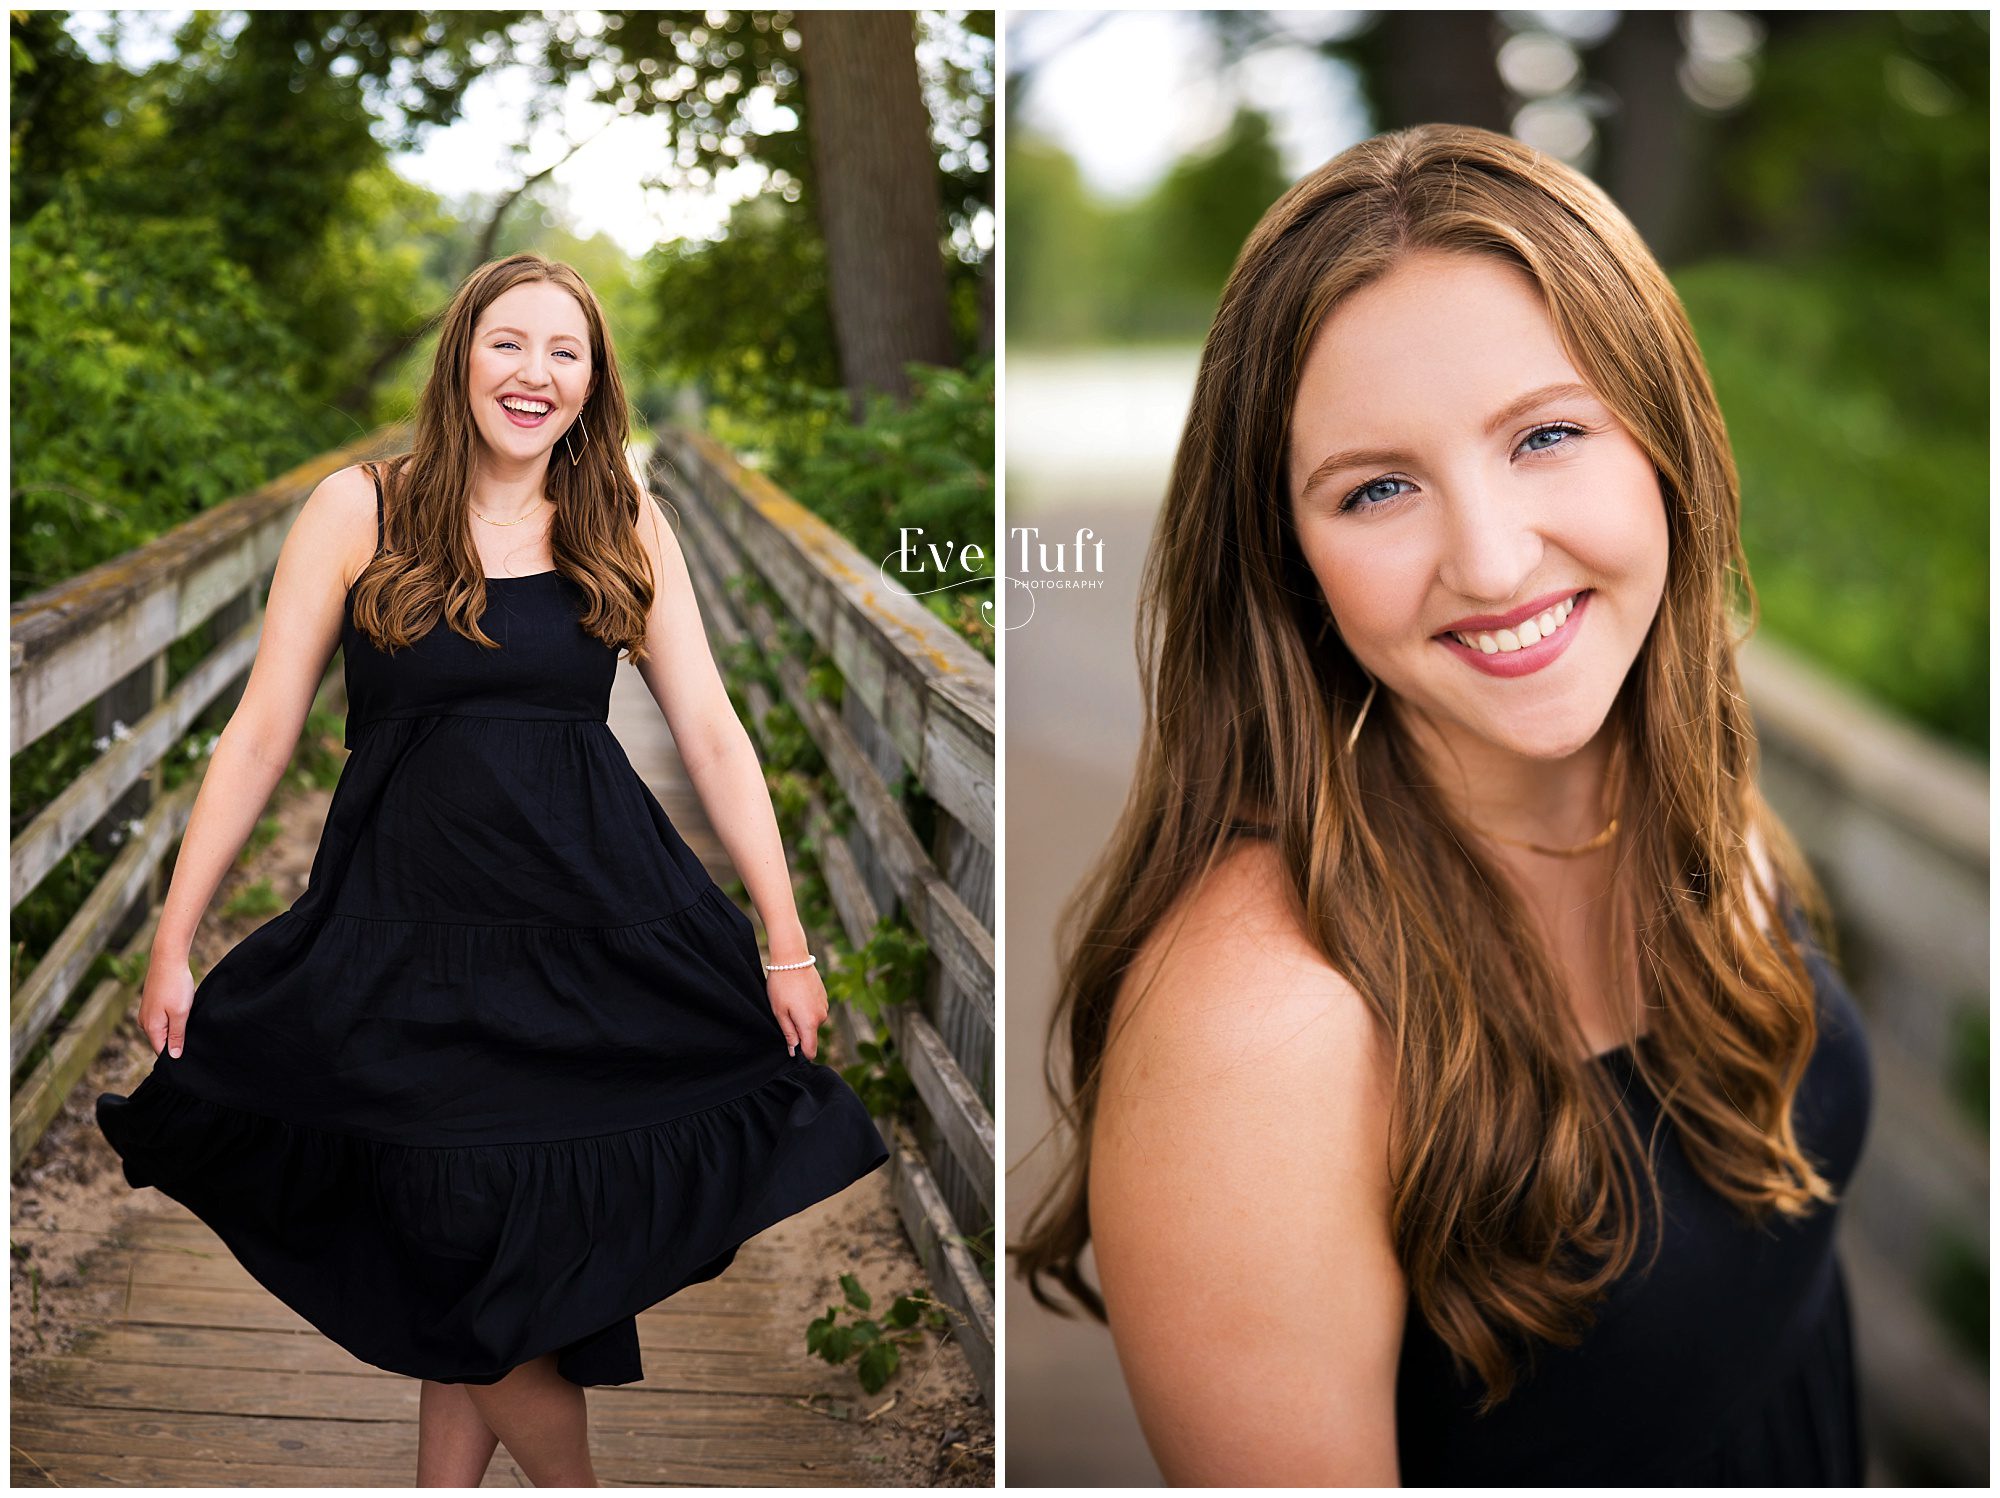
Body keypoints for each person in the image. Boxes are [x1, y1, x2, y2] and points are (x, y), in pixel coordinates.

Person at [1009, 124, 1873, 1485]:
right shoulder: (1267, 1025)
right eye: (1380, 488)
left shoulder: (1682, 779)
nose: (1489, 557)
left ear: (1665, 438)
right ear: (1291, 560)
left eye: (1545, 433)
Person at [95, 252, 890, 1486]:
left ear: (592, 380)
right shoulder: (359, 507)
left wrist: (782, 938)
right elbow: (259, 734)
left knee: (489, 1257)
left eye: (564, 352)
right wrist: (173, 933)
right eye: (508, 343)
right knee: (458, 1246)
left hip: (588, 939)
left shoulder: (621, 518)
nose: (535, 373)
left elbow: (713, 735)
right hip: (399, 940)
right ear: (461, 354)